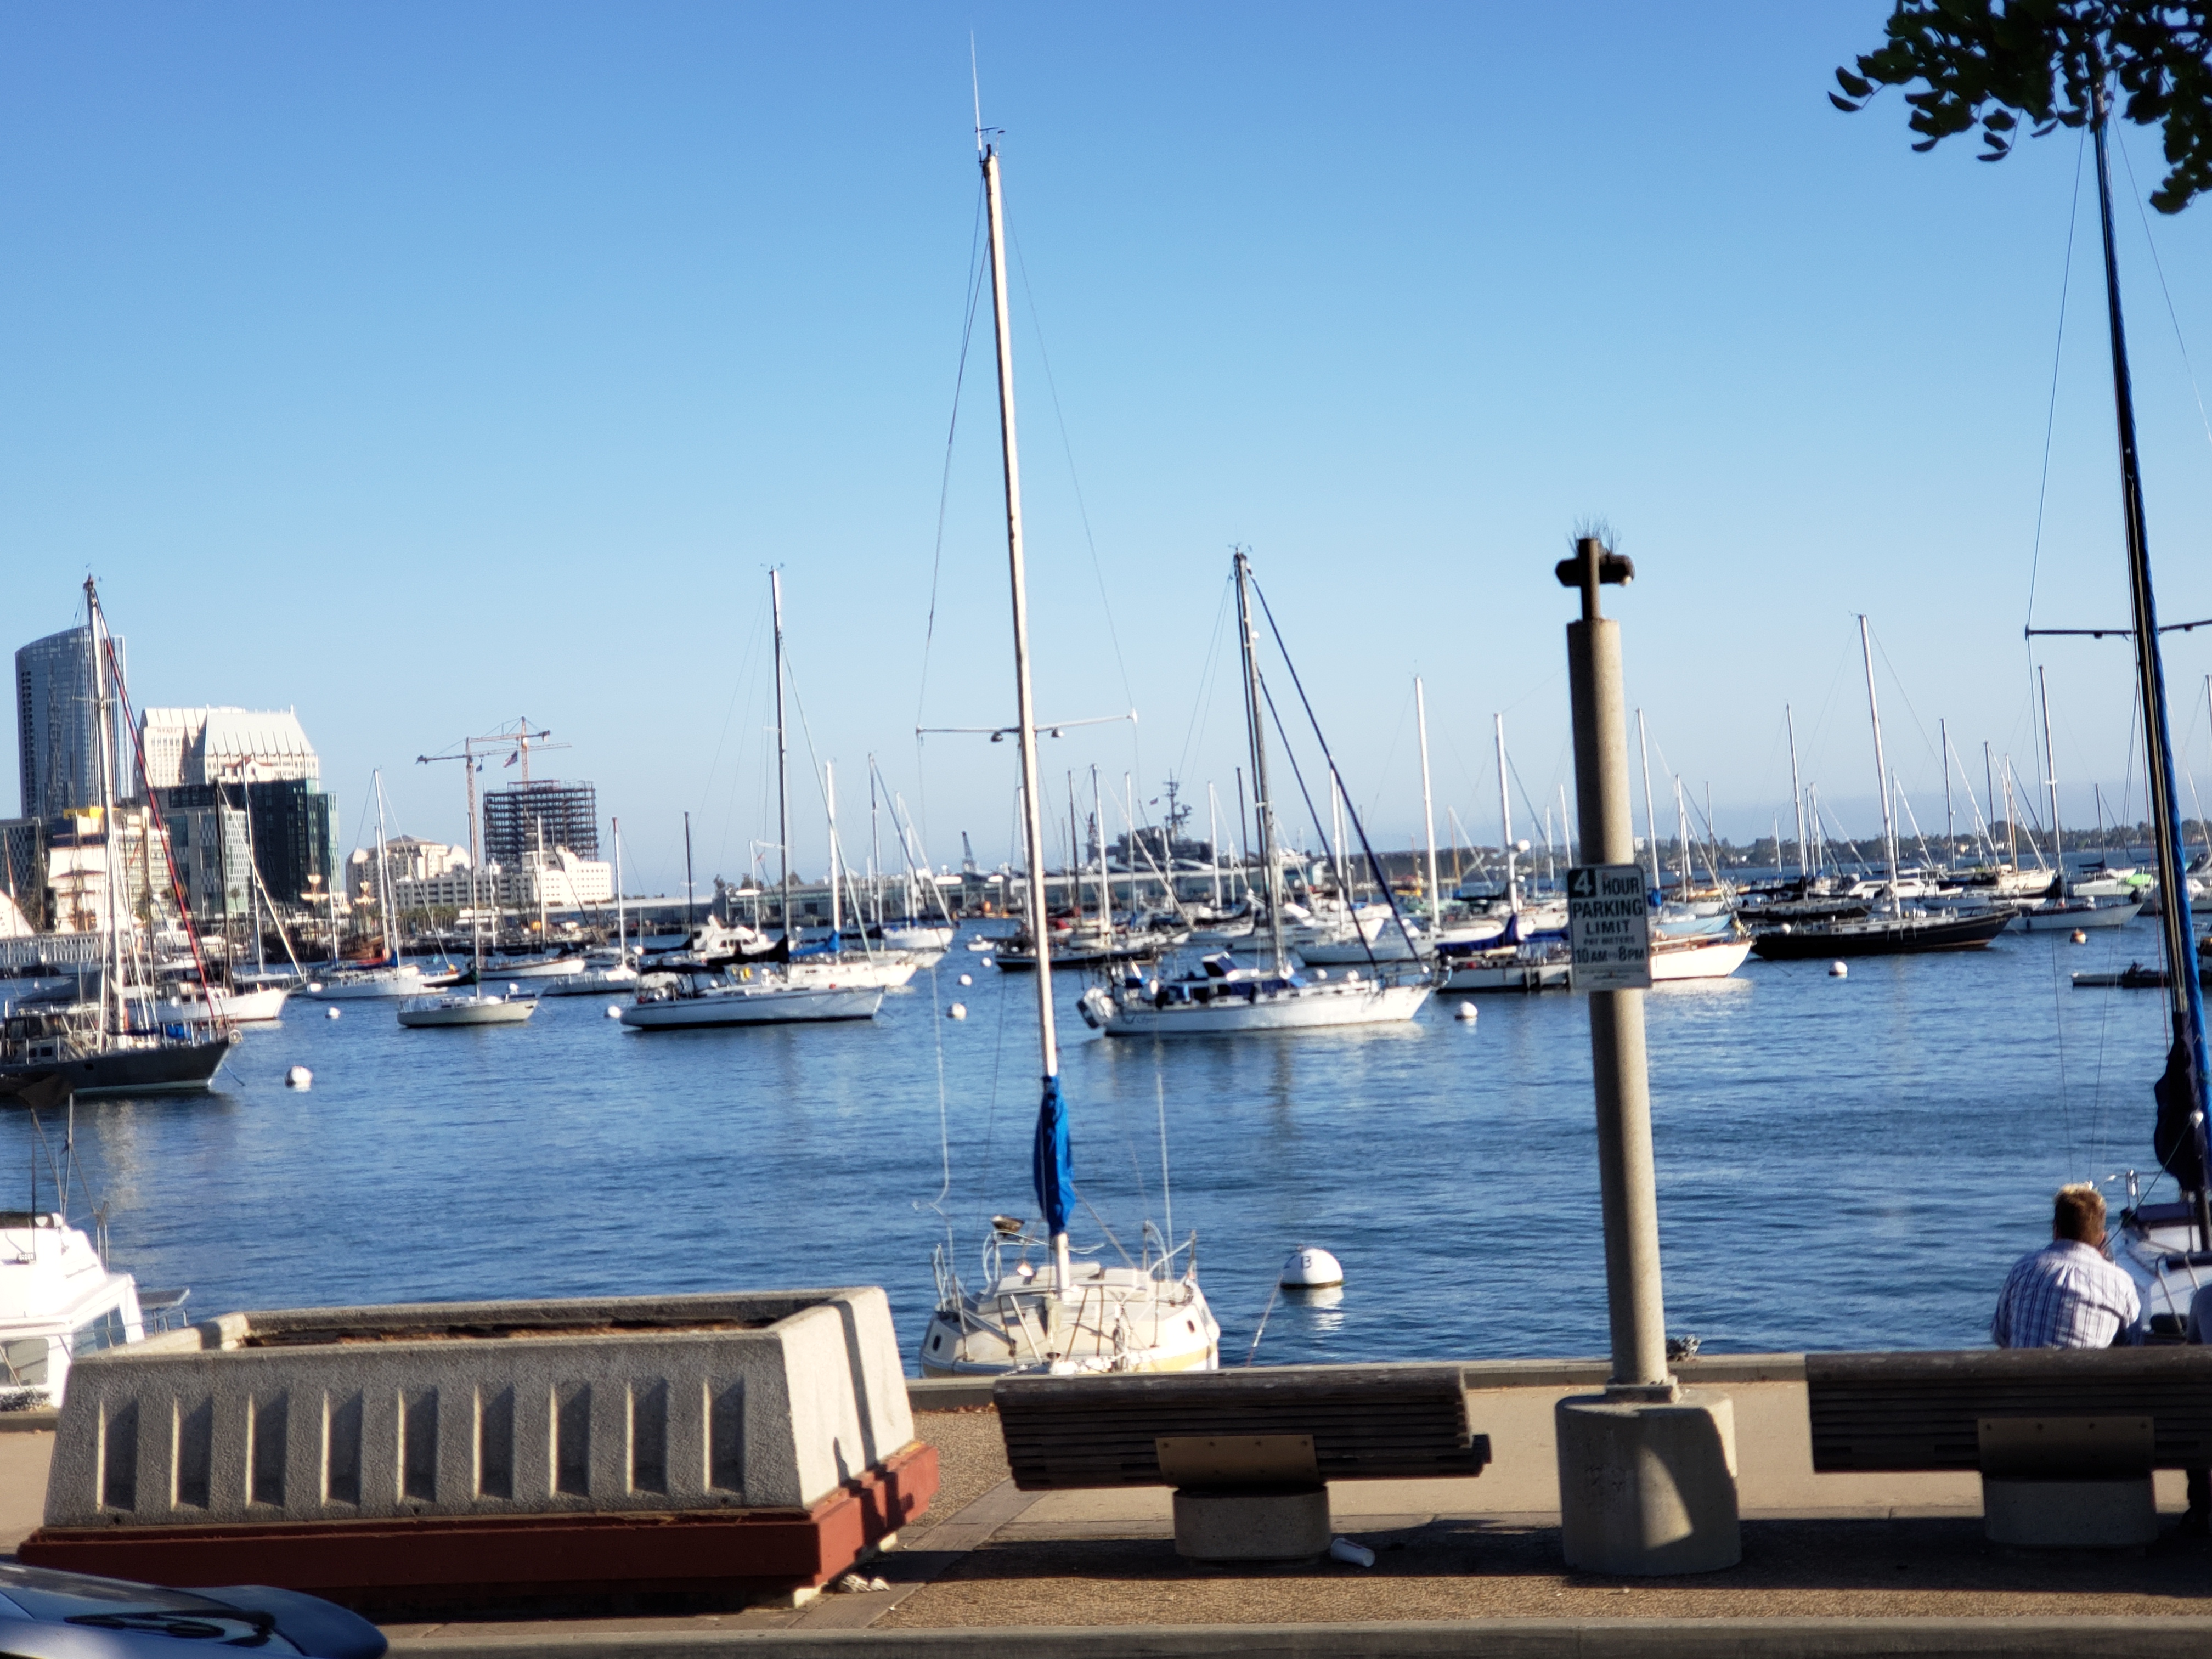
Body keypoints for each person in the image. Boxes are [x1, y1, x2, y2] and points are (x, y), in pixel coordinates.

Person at [1990, 1183, 2141, 1350]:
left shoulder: (2023, 1269)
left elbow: (2001, 1335)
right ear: (2101, 1238)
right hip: (2087, 1367)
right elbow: (2133, 1346)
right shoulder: (2120, 1284)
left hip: (2025, 1367)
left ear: (2055, 1230)